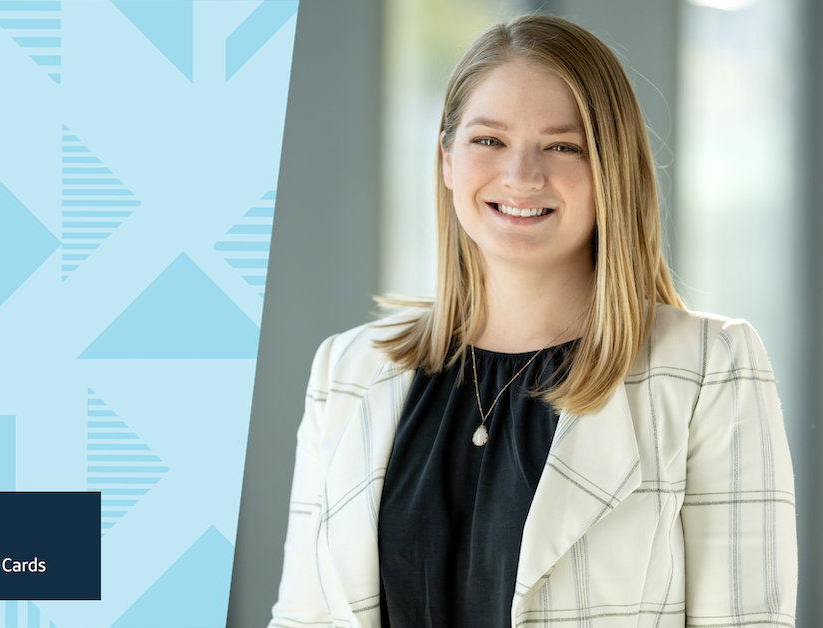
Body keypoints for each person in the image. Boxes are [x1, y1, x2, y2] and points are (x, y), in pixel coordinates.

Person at [268, 13, 797, 628]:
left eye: (563, 146)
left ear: (612, 170)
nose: (521, 176)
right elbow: (304, 618)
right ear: (446, 159)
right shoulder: (348, 369)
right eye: (488, 140)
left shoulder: (709, 369)